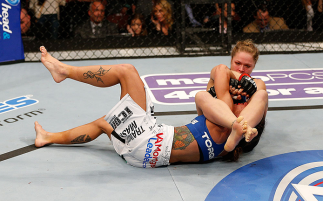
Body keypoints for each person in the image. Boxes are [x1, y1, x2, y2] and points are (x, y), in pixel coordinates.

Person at [34, 40, 267, 168]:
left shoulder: (226, 124)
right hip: (146, 146)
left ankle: (64, 70)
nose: (241, 70)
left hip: (149, 144)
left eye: (247, 67)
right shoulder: (219, 112)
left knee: (126, 71)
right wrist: (239, 81)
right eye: (238, 64)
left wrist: (243, 85)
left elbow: (252, 93)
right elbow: (218, 75)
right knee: (104, 124)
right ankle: (47, 137)